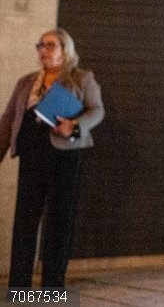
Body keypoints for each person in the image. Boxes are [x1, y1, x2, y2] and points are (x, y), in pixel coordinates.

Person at [0, 28, 105, 288]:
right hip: (31, 156)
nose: (43, 50)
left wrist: (75, 125)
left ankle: (52, 286)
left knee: (59, 221)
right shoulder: (26, 82)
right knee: (25, 222)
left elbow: (97, 110)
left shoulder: (81, 78)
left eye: (50, 45)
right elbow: (7, 121)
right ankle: (19, 287)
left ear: (64, 50)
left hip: (65, 157)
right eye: (40, 45)